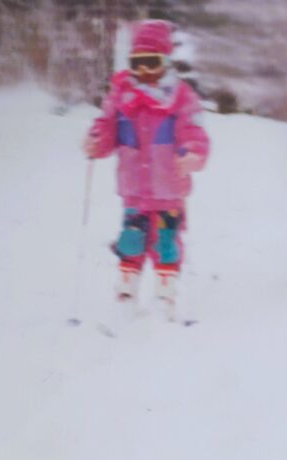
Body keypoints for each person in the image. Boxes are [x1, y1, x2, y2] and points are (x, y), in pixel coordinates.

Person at [83, 19, 210, 305]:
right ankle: (126, 286)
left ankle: (166, 289)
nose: (144, 71)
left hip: (168, 188)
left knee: (166, 242)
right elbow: (106, 128)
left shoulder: (180, 97)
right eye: (136, 63)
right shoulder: (121, 96)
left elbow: (194, 132)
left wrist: (192, 153)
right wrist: (96, 140)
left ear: (165, 61)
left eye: (151, 62)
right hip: (135, 190)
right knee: (131, 238)